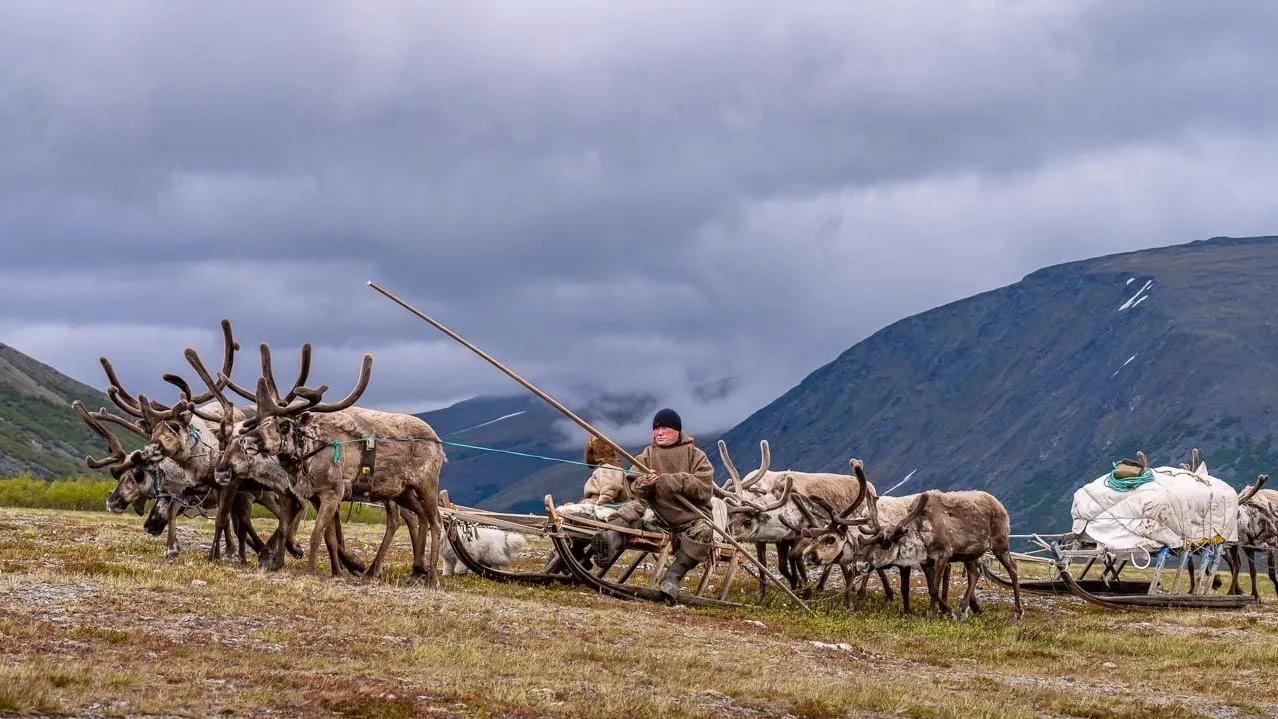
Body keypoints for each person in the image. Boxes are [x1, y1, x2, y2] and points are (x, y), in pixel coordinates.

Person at [590, 408, 716, 602]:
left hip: (687, 516)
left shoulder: (695, 455)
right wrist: (644, 484)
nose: (659, 433)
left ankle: (673, 577)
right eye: (656, 429)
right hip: (656, 512)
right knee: (633, 509)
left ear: (677, 431)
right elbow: (631, 484)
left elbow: (704, 488)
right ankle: (608, 542)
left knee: (705, 531)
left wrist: (668, 481)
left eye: (664, 428)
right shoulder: (647, 454)